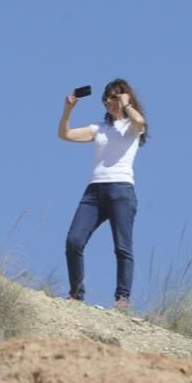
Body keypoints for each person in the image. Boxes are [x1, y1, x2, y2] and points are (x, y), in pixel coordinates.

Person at [58, 78, 148, 310]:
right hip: (94, 191)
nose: (110, 101)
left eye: (115, 97)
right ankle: (76, 294)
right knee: (73, 241)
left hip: (122, 190)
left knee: (122, 246)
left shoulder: (132, 127)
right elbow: (64, 134)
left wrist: (127, 105)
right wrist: (68, 109)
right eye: (107, 98)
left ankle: (122, 299)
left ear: (125, 97)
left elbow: (140, 121)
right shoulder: (99, 128)